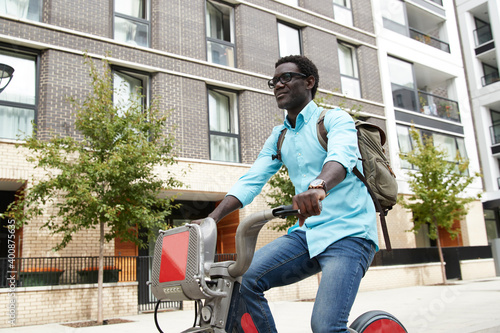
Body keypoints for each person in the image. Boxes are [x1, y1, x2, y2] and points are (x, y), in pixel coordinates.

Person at [205, 55, 378, 333]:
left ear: (309, 82)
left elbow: (341, 158)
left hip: (350, 234)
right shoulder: (279, 136)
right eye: (274, 81)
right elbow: (252, 180)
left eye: (286, 78)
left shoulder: (334, 119)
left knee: (326, 327)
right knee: (245, 277)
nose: (277, 85)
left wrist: (318, 185)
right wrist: (211, 219)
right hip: (308, 235)